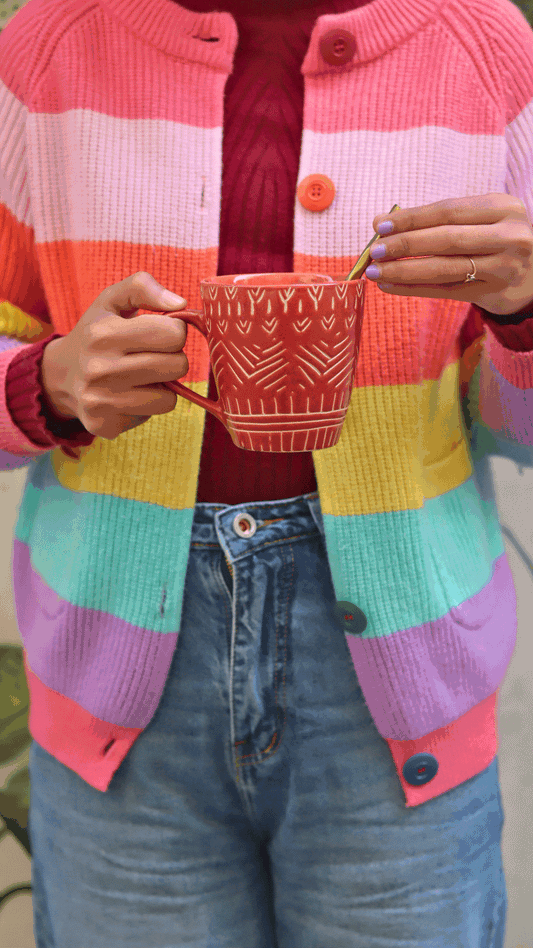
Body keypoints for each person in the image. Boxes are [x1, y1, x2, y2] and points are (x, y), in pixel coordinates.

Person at [1, 0, 533, 944]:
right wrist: (43, 383)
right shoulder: (43, 52)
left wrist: (524, 317)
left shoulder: (487, 52)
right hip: (117, 701)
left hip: (400, 700)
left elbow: (516, 432)